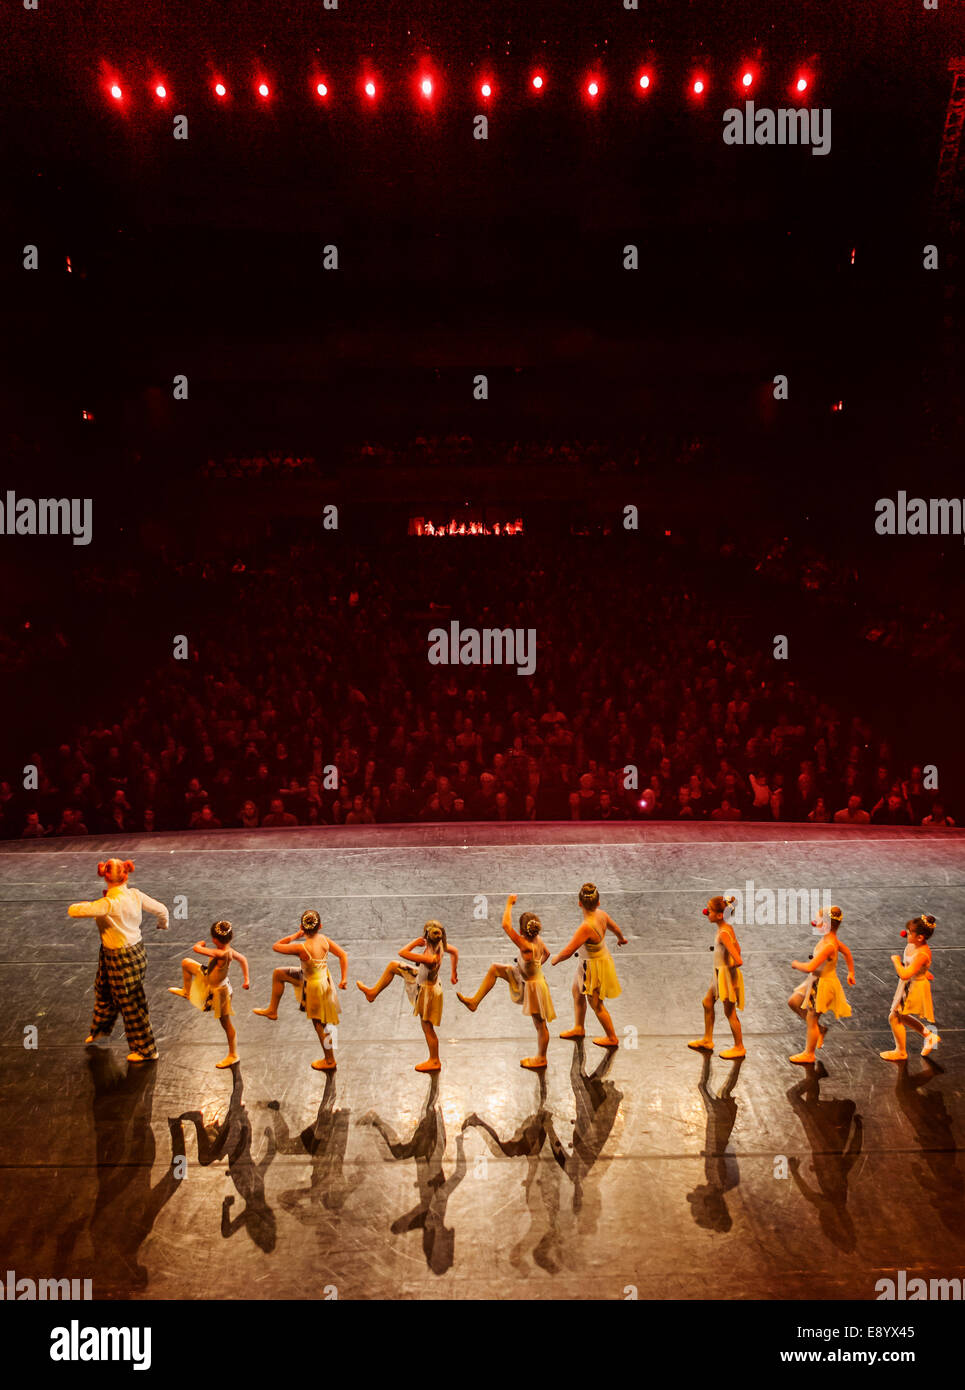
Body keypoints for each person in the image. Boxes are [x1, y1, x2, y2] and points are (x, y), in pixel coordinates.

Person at [67, 857, 169, 1062]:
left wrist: (90, 905)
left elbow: (73, 910)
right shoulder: (134, 895)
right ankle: (100, 1030)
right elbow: (162, 910)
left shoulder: (109, 903)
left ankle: (147, 1050)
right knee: (103, 989)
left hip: (122, 958)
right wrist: (162, 924)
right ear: (126, 875)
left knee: (130, 1002)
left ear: (105, 876)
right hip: (126, 953)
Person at [457, 893, 556, 1068]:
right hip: (524, 976)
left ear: (521, 931)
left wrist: (509, 903)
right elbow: (547, 954)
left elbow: (505, 925)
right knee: (495, 968)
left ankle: (542, 1057)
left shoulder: (526, 946)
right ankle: (474, 1001)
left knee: (540, 1025)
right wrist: (535, 967)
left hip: (533, 986)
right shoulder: (537, 940)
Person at [356, 921, 458, 1072]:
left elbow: (402, 952)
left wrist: (414, 943)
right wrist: (454, 973)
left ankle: (435, 1060)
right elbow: (455, 952)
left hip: (427, 991)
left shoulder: (430, 958)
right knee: (393, 966)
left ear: (425, 936)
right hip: (424, 980)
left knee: (427, 1027)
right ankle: (372, 993)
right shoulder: (441, 946)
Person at [253, 910, 348, 1070]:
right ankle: (272, 1010)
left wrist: (295, 936)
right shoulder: (324, 939)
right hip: (318, 978)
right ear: (321, 926)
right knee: (279, 973)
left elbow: (276, 946)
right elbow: (343, 955)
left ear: (302, 927)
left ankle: (330, 1060)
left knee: (320, 1024)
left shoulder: (301, 947)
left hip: (315, 986)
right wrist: (343, 978)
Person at [550, 882, 626, 1048]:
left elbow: (568, 951)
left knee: (596, 1005)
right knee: (577, 992)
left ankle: (612, 1037)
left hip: (592, 968)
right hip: (593, 962)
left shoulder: (586, 927)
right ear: (598, 903)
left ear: (579, 903)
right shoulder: (602, 915)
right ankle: (579, 1027)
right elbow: (615, 928)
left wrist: (555, 959)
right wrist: (621, 938)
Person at [168, 920, 250, 1068]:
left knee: (226, 1023)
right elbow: (243, 959)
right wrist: (246, 979)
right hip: (208, 977)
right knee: (186, 963)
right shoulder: (230, 951)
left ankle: (233, 1055)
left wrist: (200, 944)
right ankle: (186, 992)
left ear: (214, 939)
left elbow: (197, 949)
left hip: (220, 992)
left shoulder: (220, 953)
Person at [788, 905, 854, 1064]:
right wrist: (851, 972)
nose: (814, 923)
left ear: (825, 925)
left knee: (811, 1018)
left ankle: (809, 1054)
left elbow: (810, 967)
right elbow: (847, 952)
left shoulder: (829, 945)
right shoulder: (830, 940)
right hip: (814, 980)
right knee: (793, 1002)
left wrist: (796, 964)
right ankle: (820, 1029)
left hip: (823, 984)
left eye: (816, 921)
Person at [688, 895, 745, 1059]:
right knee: (707, 1002)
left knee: (730, 1012)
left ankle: (739, 1046)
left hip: (725, 976)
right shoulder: (726, 928)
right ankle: (707, 1039)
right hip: (720, 975)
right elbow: (738, 948)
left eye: (709, 911)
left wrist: (727, 970)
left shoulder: (724, 934)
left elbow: (738, 959)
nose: (706, 913)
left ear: (719, 915)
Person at [881, 915, 940, 1061]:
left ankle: (901, 1052)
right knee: (900, 1015)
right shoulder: (912, 945)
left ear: (919, 937)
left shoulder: (922, 953)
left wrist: (896, 962)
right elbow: (914, 966)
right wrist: (924, 971)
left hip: (913, 987)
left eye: (909, 932)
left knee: (894, 1016)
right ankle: (929, 1036)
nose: (905, 934)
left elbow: (905, 974)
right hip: (908, 985)